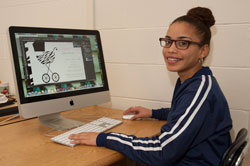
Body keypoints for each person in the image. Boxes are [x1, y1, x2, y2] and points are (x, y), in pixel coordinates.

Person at [69, 7, 232, 166]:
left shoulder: (199, 90)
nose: (171, 49)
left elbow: (162, 151)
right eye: (168, 41)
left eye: (183, 43)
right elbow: (183, 114)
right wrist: (153, 113)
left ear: (203, 50)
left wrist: (103, 138)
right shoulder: (194, 81)